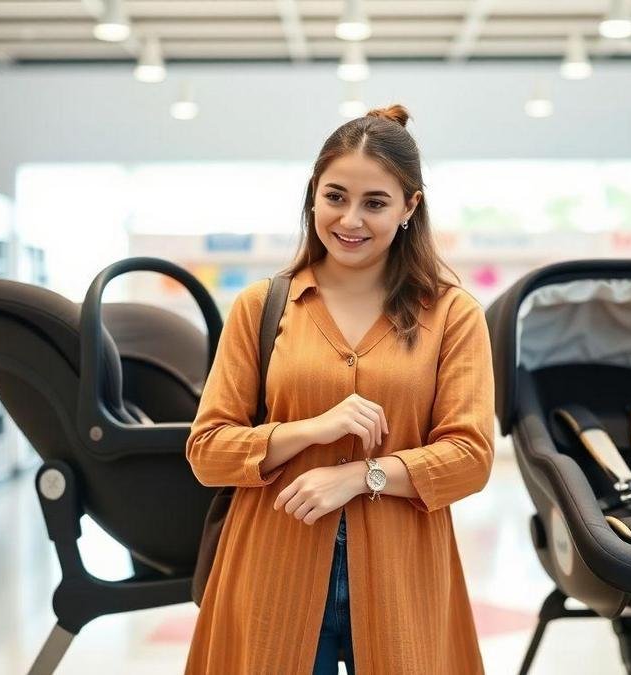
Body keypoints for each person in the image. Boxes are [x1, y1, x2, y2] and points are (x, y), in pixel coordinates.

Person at [185, 104, 495, 674]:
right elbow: (207, 451)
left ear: (409, 207)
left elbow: (470, 459)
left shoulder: (453, 315)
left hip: (402, 580)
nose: (350, 219)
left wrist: (360, 475)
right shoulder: (261, 307)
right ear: (312, 195)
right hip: (270, 575)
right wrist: (312, 430)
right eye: (335, 196)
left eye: (375, 202)